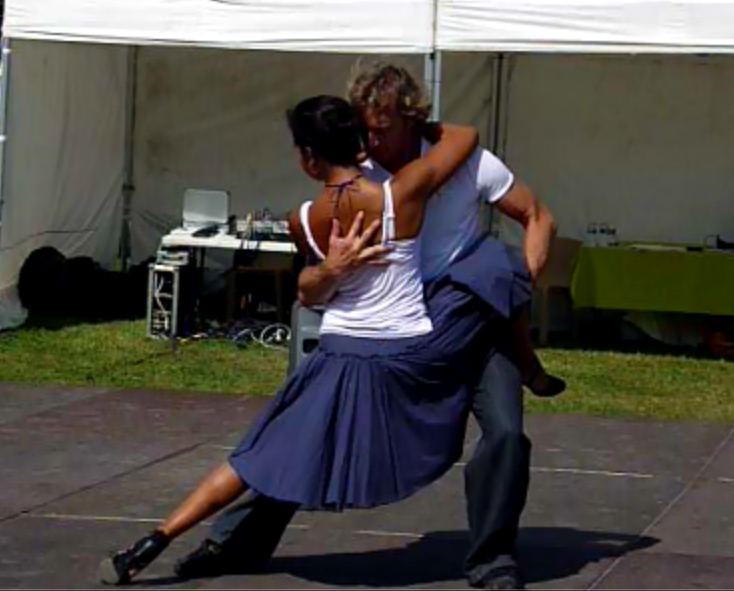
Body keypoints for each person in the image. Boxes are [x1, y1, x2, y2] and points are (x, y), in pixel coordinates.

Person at [99, 95, 534, 586]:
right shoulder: (401, 195)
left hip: (338, 352)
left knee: (258, 455)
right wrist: (414, 125)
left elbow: (308, 294)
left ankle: (155, 539)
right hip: (399, 352)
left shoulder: (303, 218)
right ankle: (527, 357)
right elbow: (465, 136)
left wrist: (330, 268)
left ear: (308, 158)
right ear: (360, 141)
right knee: (498, 275)